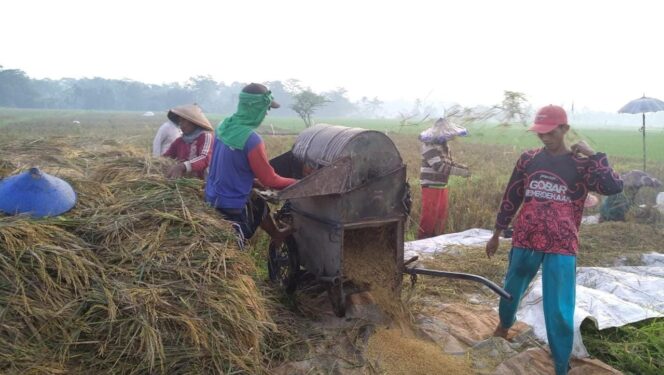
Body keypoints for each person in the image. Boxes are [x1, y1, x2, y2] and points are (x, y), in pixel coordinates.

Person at [485, 105, 623, 375]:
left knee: (559, 306)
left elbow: (613, 187)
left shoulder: (582, 164)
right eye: (539, 132)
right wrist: (496, 233)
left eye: (549, 132)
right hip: (526, 237)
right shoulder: (528, 159)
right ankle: (503, 326)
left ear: (564, 129)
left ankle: (561, 363)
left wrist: (594, 155)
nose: (544, 137)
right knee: (511, 288)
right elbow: (512, 195)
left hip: (562, 243)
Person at [205, 83, 296, 247]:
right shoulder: (251, 139)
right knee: (232, 249)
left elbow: (223, 163)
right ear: (257, 108)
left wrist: (250, 180)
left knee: (258, 203)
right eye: (266, 108)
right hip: (231, 205)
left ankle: (277, 235)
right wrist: (299, 183)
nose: (267, 113)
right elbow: (270, 180)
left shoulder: (223, 126)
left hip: (212, 196)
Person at [418, 117, 470, 239]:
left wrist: (464, 168)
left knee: (440, 218)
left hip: (442, 186)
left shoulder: (445, 147)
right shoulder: (428, 146)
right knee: (429, 218)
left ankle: (436, 242)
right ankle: (422, 243)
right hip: (430, 186)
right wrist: (461, 172)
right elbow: (439, 166)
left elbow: (450, 164)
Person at [162, 104, 214, 179]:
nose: (181, 125)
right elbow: (166, 157)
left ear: (193, 122)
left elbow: (205, 158)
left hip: (204, 183)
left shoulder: (206, 137)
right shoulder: (179, 141)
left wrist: (183, 166)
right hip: (186, 182)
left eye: (183, 121)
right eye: (179, 121)